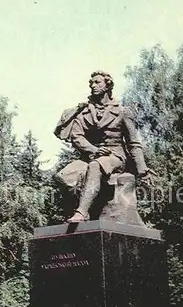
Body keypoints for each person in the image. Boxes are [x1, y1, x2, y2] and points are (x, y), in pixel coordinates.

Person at [54, 70, 155, 222]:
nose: (93, 86)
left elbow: (133, 143)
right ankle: (90, 205)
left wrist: (142, 170)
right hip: (91, 155)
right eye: (91, 83)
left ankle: (81, 212)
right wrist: (93, 149)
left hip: (115, 156)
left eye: (97, 82)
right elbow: (77, 136)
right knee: (62, 176)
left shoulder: (122, 112)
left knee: (96, 166)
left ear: (107, 85)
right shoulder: (85, 112)